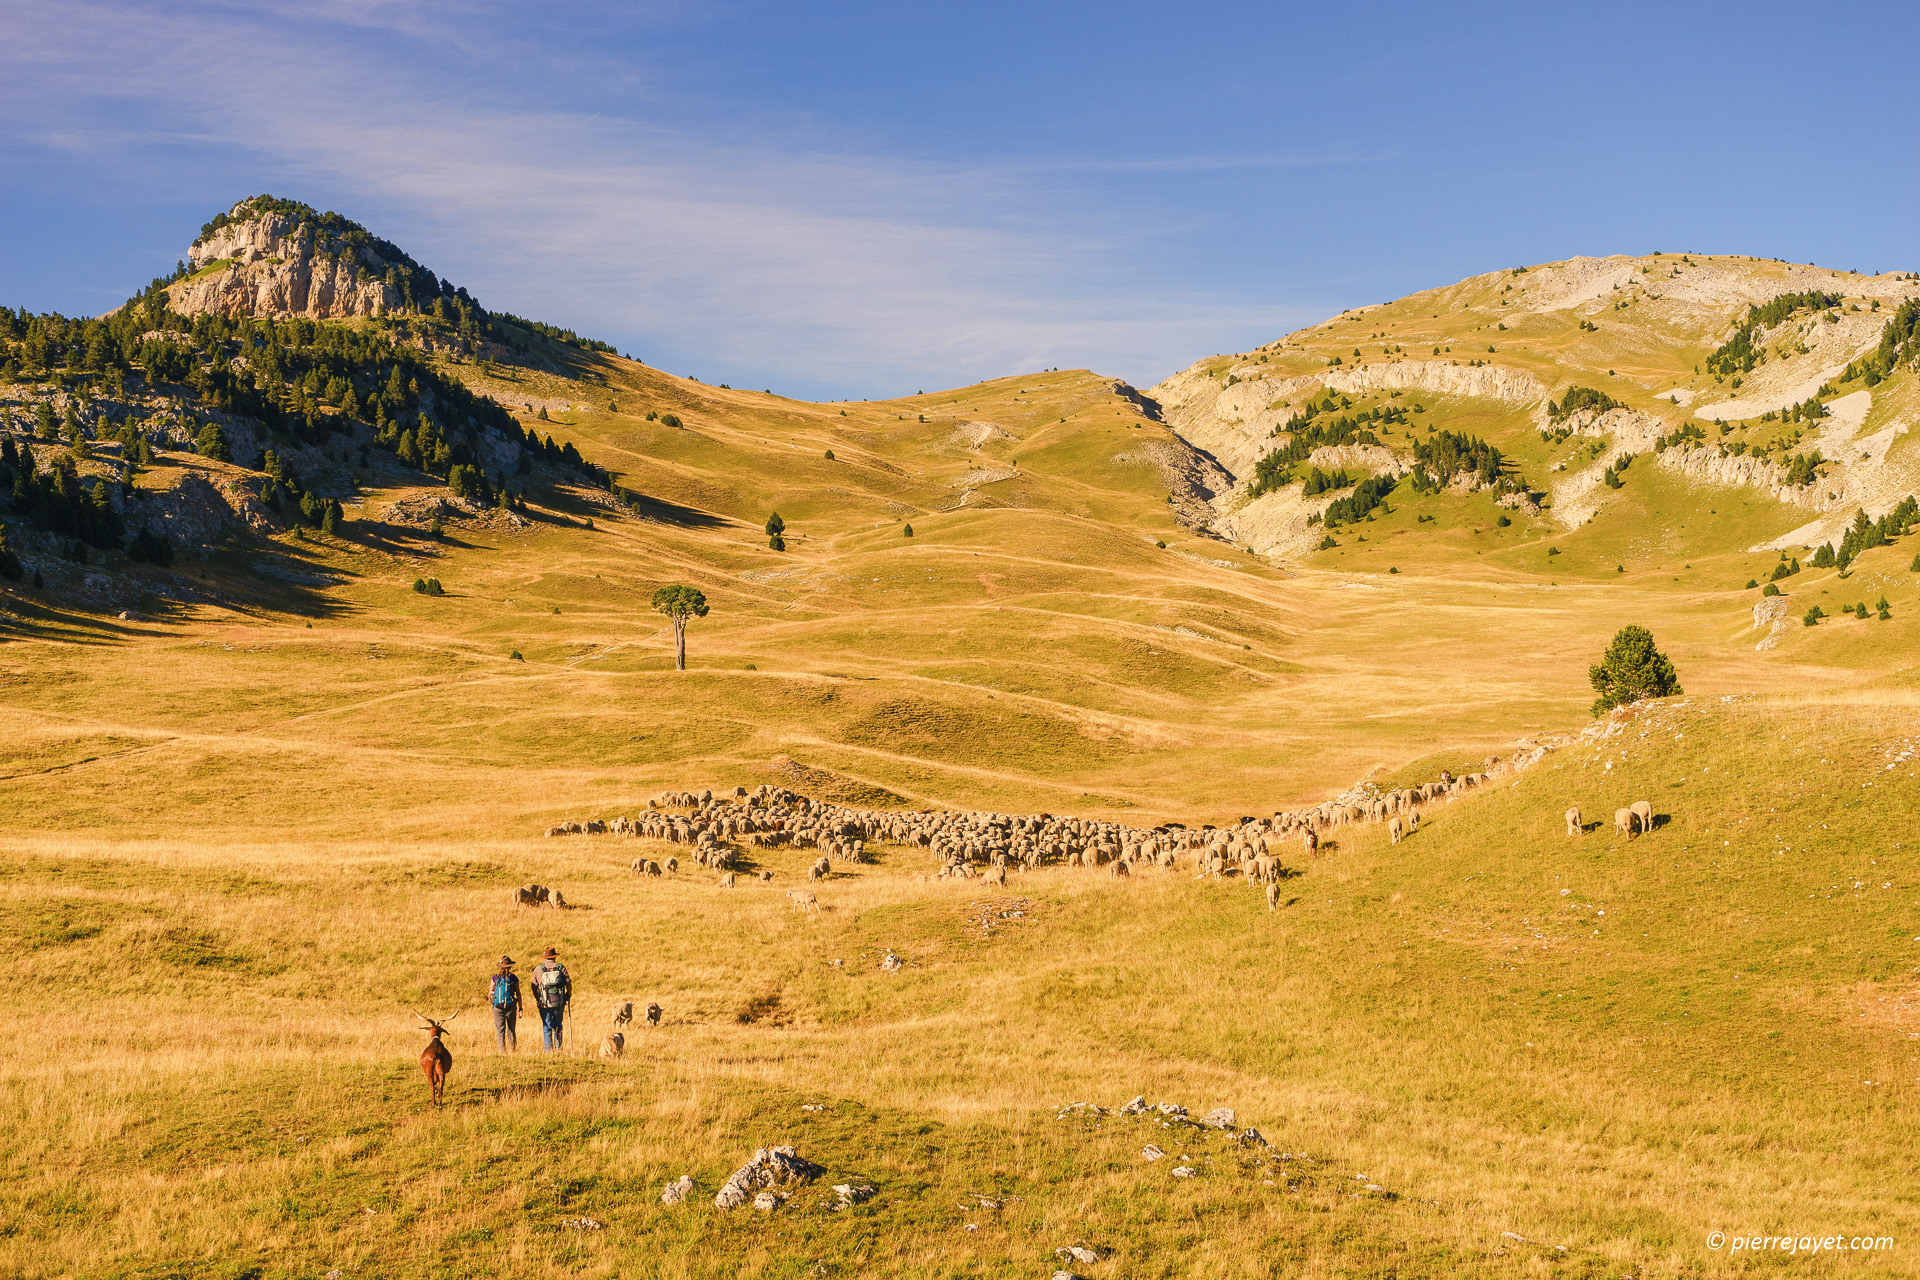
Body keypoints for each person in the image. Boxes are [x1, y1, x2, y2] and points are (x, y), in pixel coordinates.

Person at [530, 946, 572, 1052]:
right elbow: (568, 983)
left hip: (544, 1003)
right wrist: (568, 994)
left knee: (547, 1026)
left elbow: (533, 987)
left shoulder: (538, 969)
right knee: (558, 1025)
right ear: (554, 957)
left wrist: (538, 999)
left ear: (545, 957)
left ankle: (548, 1050)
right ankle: (559, 1049)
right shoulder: (560, 968)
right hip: (558, 1002)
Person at [488, 955, 522, 1052]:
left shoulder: (495, 978)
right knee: (511, 1030)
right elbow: (518, 993)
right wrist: (520, 1008)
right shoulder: (514, 978)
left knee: (500, 1030)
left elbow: (489, 994)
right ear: (510, 966)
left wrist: (493, 1004)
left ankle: (502, 1051)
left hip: (497, 1007)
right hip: (510, 1007)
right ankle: (513, 1050)